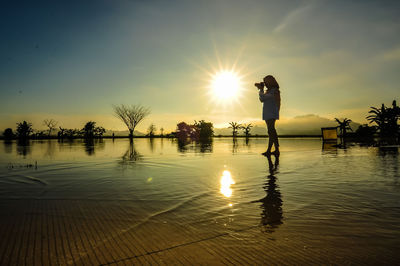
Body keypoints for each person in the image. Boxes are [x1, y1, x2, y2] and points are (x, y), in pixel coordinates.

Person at [256, 75, 281, 156]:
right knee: (271, 131)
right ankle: (272, 150)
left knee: (271, 131)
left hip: (271, 113)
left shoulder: (274, 91)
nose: (265, 84)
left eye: (266, 82)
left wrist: (261, 89)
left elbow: (262, 97)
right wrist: (261, 90)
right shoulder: (269, 91)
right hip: (268, 113)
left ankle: (275, 149)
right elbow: (261, 99)